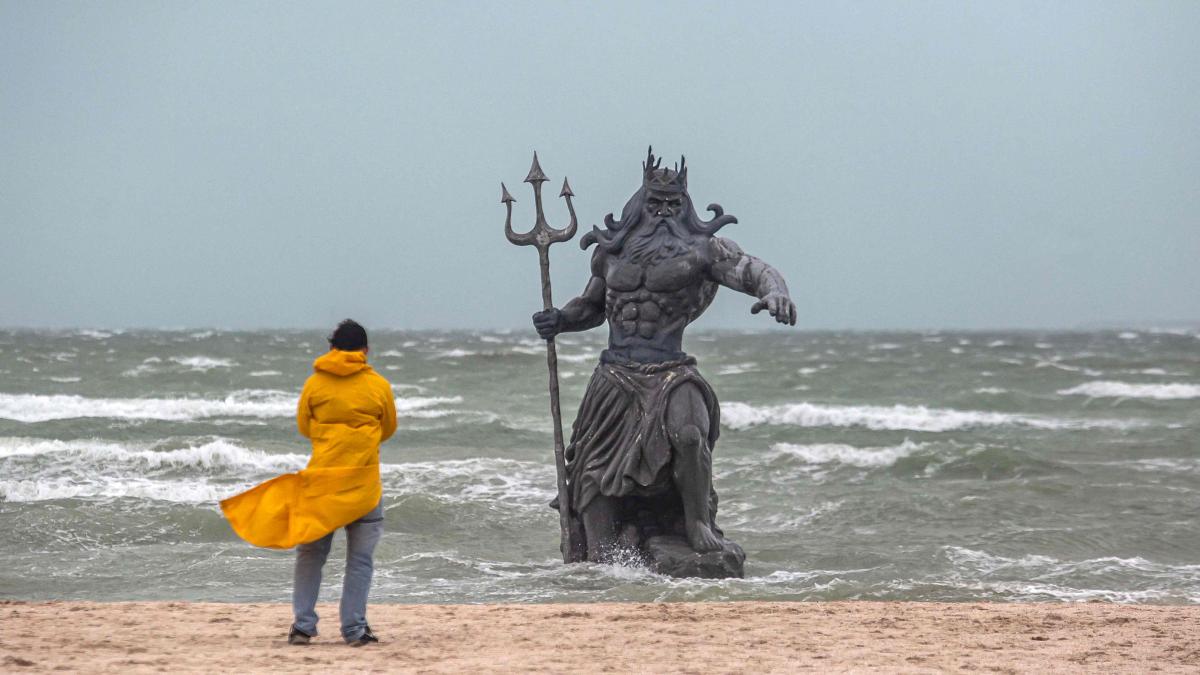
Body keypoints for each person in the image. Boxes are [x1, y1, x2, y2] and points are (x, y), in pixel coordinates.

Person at [533, 148, 796, 565]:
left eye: (674, 205)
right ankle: (601, 560)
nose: (663, 213)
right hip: (615, 375)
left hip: (671, 371)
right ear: (640, 202)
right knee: (592, 478)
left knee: (690, 435)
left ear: (686, 206)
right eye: (655, 204)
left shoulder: (704, 251)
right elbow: (591, 306)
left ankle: (697, 523)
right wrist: (559, 320)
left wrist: (775, 291)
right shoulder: (612, 252)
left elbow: (753, 270)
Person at [220, 319, 397, 646]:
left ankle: (303, 626)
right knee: (359, 561)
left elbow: (304, 426)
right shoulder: (379, 386)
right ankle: (355, 629)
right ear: (366, 351)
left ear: (331, 349)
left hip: (322, 484)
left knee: (311, 554)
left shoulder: (315, 384)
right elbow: (388, 429)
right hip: (363, 485)